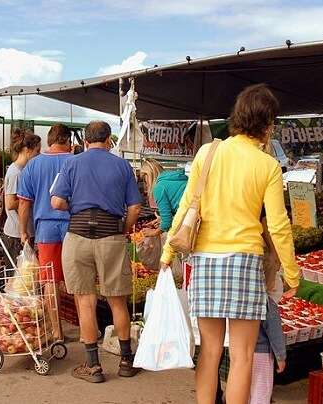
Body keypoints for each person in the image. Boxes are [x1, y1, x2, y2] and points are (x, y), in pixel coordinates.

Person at [160, 84, 299, 404]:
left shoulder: (207, 152)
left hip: (205, 260)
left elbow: (185, 207)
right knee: (243, 356)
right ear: (267, 124)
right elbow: (278, 226)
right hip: (244, 263)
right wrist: (292, 274)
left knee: (208, 351)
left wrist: (169, 251)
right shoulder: (268, 166)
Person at [51, 120, 142, 383]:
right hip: (111, 235)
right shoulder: (122, 165)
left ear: (86, 141)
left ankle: (93, 366)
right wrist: (121, 230)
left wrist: (75, 205)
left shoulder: (72, 163)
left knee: (85, 301)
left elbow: (56, 201)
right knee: (117, 300)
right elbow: (135, 208)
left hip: (78, 235)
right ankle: (126, 361)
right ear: (109, 140)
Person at [17, 124, 72, 340]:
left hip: (45, 228)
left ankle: (57, 331)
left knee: (50, 280)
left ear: (49, 140)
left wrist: (23, 231)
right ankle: (90, 331)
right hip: (73, 225)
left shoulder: (33, 165)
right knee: (77, 279)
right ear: (67, 140)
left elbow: (24, 204)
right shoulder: (75, 161)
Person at [3, 129, 41, 261]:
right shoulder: (16, 173)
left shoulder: (22, 171)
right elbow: (10, 203)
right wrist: (31, 198)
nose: (39, 154)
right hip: (16, 233)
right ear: (27, 150)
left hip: (22, 230)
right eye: (37, 151)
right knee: (18, 276)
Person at [249, 297, 286, 404]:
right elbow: (275, 332)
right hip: (262, 354)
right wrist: (280, 356)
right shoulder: (267, 302)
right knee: (261, 389)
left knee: (244, 388)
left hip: (241, 350)